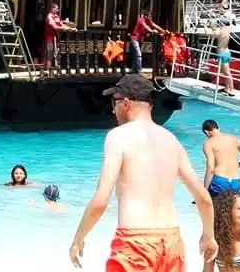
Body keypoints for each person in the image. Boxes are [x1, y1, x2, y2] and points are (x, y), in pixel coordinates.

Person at [70, 74, 217, 271]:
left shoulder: (118, 137)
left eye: (114, 103)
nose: (113, 110)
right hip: (172, 243)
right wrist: (209, 236)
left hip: (135, 244)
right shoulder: (171, 140)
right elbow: (203, 198)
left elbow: (101, 201)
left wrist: (79, 238)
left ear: (125, 103)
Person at [201, 119, 240, 197]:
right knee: (233, 208)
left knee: (215, 208)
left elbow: (210, 167)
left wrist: (204, 190)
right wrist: (238, 165)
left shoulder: (209, 143)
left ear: (206, 132)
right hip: (236, 182)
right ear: (218, 128)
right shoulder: (235, 139)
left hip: (219, 181)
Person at [129, 9, 168, 73]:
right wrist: (152, 31)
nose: (150, 18)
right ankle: (139, 71)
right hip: (134, 39)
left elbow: (155, 26)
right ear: (145, 16)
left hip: (140, 40)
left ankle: (134, 70)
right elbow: (146, 27)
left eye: (150, 16)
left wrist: (163, 31)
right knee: (138, 55)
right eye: (149, 16)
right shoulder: (141, 20)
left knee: (136, 55)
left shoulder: (148, 20)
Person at [208, 16, 235, 96]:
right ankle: (227, 88)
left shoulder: (220, 31)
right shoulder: (227, 30)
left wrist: (205, 27)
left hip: (222, 53)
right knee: (225, 72)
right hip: (226, 52)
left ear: (220, 23)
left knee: (227, 72)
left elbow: (210, 34)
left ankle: (232, 90)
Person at [44, 4, 74, 69]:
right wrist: (63, 28)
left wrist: (70, 28)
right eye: (56, 8)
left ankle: (56, 68)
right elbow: (55, 27)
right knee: (50, 54)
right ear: (52, 9)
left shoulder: (57, 16)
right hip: (49, 38)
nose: (58, 10)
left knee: (57, 53)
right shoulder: (49, 16)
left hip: (56, 38)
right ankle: (48, 70)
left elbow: (61, 24)